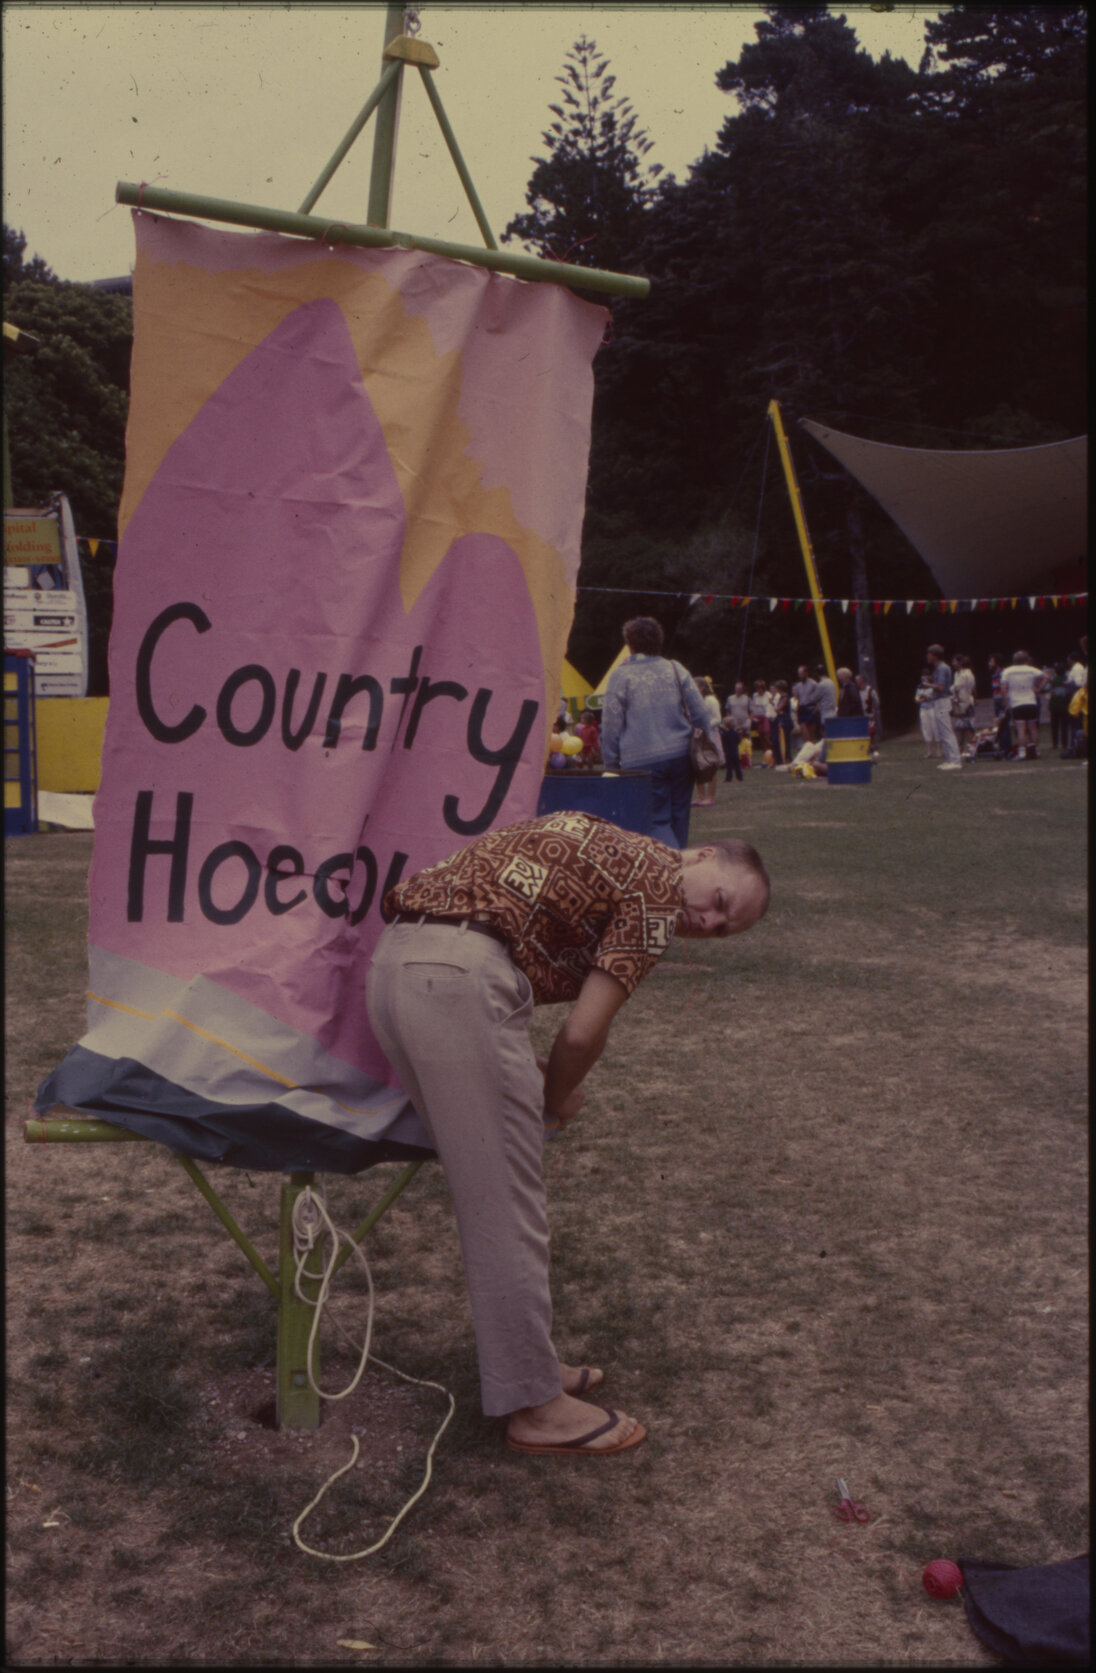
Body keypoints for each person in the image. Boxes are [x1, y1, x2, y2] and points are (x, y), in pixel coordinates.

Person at [368, 812, 771, 1455]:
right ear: (697, 856)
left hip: (397, 963)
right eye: (721, 902)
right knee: (506, 1203)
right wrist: (557, 1100)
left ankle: (529, 1365)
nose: (711, 923)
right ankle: (535, 1407)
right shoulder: (661, 886)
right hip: (456, 980)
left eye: (725, 930)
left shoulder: (604, 838)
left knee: (494, 1190)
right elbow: (583, 1034)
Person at [599, 617, 717, 849]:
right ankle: (679, 867)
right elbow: (701, 713)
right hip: (682, 756)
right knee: (679, 817)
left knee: (656, 820)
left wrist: (611, 766)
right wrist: (707, 745)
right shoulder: (675, 668)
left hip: (640, 761)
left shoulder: (620, 676)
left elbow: (610, 725)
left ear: (629, 643)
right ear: (659, 641)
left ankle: (673, 870)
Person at [1000, 649, 1048, 760]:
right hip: (1031, 702)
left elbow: (1003, 689)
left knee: (1021, 729)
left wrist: (1006, 703)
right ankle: (1035, 751)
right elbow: (1046, 677)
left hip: (1017, 703)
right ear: (1026, 660)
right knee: (1033, 728)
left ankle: (1022, 753)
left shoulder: (1007, 671)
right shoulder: (1031, 669)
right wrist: (1038, 689)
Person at [926, 644, 963, 769]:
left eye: (929, 654)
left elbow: (941, 687)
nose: (927, 657)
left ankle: (955, 761)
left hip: (942, 702)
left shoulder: (942, 668)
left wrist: (928, 685)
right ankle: (949, 759)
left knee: (946, 731)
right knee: (942, 731)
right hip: (938, 701)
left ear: (934, 655)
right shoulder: (939, 668)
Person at [692, 677, 724, 806]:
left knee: (710, 765)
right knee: (697, 765)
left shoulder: (711, 700)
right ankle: (701, 796)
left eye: (697, 686)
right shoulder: (694, 700)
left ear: (703, 687)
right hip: (697, 736)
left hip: (710, 735)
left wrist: (705, 727)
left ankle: (710, 797)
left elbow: (717, 718)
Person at [950, 653, 977, 754]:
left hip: (965, 703)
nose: (953, 663)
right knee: (959, 727)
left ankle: (972, 749)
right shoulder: (958, 674)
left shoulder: (966, 674)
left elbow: (955, 687)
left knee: (969, 727)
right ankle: (959, 749)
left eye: (955, 661)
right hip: (960, 703)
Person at [793, 665, 821, 742]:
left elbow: (819, 698)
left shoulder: (813, 684)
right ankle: (807, 749)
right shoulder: (798, 685)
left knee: (811, 734)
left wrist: (817, 708)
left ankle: (813, 750)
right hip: (802, 708)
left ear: (806, 673)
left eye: (801, 674)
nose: (800, 676)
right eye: (799, 674)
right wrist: (797, 710)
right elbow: (798, 699)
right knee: (804, 733)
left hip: (810, 708)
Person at [915, 669, 939, 757]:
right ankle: (929, 751)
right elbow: (917, 700)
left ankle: (938, 750)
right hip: (923, 709)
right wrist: (924, 698)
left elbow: (933, 697)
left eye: (926, 675)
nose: (924, 677)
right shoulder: (919, 687)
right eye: (923, 675)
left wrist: (925, 697)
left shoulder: (932, 686)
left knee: (935, 728)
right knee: (926, 729)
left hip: (932, 708)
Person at [770, 679, 793, 765]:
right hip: (781, 719)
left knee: (786, 741)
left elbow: (778, 708)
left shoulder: (785, 697)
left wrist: (778, 709)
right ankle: (779, 759)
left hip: (785, 721)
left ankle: (787, 758)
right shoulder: (781, 697)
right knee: (777, 740)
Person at [814, 664, 838, 737]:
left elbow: (815, 697)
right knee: (833, 731)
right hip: (833, 710)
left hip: (825, 711)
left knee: (826, 731)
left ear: (817, 674)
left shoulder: (821, 684)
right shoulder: (831, 682)